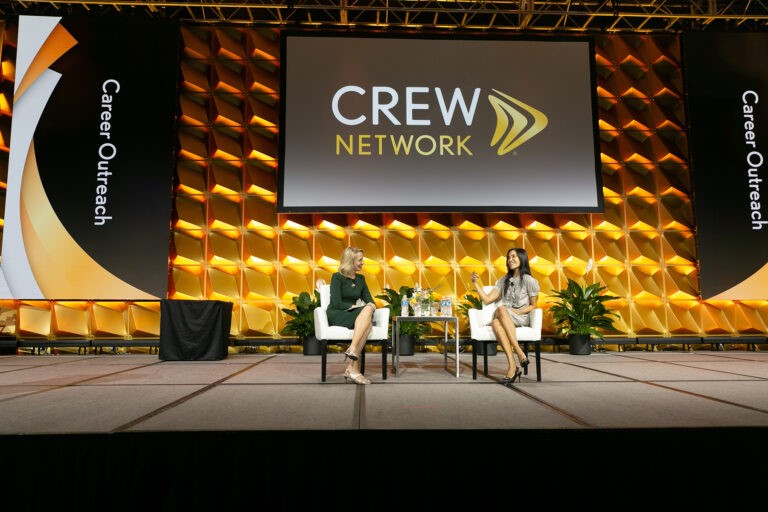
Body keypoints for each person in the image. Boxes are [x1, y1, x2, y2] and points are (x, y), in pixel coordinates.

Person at [470, 247, 540, 386]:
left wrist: (519, 312)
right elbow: (487, 300)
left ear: (522, 258)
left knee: (496, 321)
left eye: (514, 256)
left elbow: (533, 305)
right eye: (509, 257)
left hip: (519, 317)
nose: (510, 260)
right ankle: (515, 360)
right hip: (504, 314)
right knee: (500, 312)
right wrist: (475, 284)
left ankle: (516, 360)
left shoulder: (529, 280)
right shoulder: (503, 280)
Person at [327, 246, 377, 385]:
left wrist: (369, 306)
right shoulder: (337, 277)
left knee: (368, 312)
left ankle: (353, 354)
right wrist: (355, 307)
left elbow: (370, 301)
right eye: (360, 260)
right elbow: (336, 303)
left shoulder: (361, 279)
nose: (363, 263)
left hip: (356, 315)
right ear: (350, 261)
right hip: (338, 314)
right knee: (368, 321)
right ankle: (353, 363)